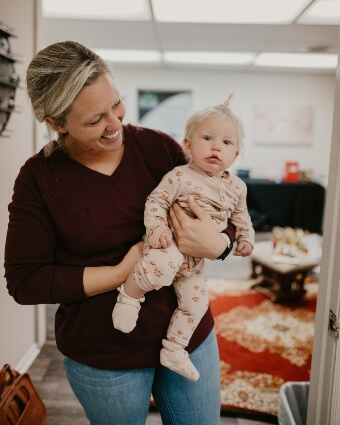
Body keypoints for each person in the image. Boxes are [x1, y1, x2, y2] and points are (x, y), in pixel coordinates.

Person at [4, 41, 237, 425]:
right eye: (94, 120)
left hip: (188, 338)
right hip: (105, 356)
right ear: (56, 122)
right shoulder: (39, 179)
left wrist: (220, 243)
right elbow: (25, 281)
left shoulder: (158, 147)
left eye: (116, 104)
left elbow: (222, 199)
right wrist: (120, 274)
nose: (114, 124)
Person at [112, 98, 255, 382]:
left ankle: (175, 349)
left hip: (196, 260)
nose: (216, 146)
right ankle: (130, 294)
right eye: (208, 138)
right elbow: (156, 201)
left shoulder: (238, 187)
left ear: (236, 155)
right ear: (188, 146)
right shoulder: (180, 175)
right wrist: (156, 231)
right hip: (169, 245)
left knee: (196, 304)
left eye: (226, 143)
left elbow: (241, 216)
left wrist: (246, 238)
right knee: (161, 270)